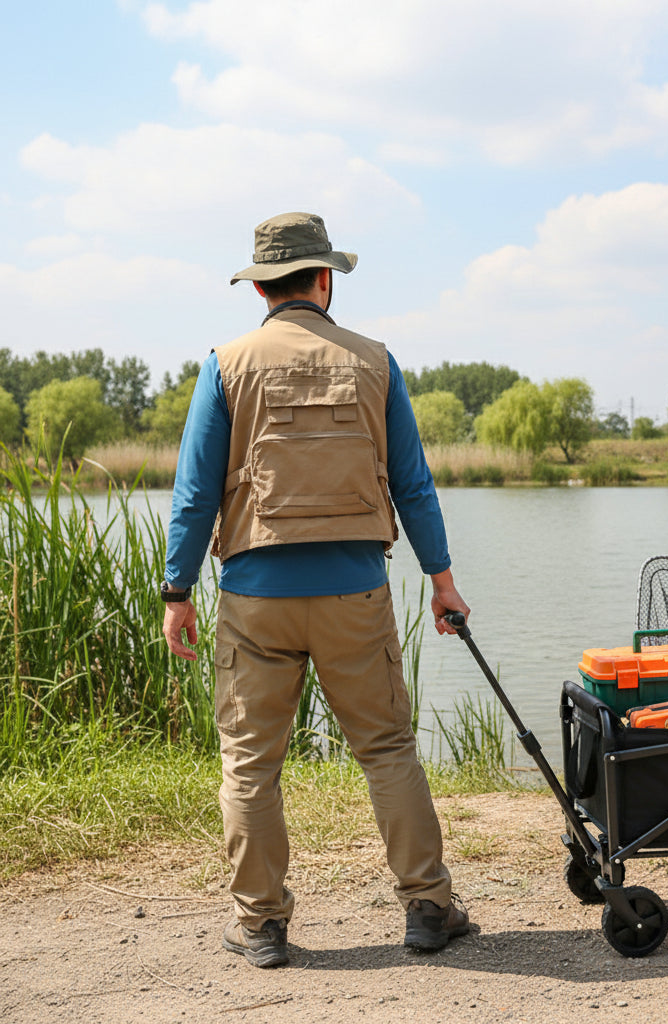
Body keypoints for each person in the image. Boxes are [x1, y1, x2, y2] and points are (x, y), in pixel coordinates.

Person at [161, 211, 472, 968]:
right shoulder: (375, 361)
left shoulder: (226, 363)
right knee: (389, 748)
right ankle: (427, 906)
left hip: (254, 597)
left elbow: (195, 493)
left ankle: (261, 924)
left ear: (261, 285)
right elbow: (414, 485)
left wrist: (178, 589)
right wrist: (442, 581)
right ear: (325, 279)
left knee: (250, 762)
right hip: (355, 594)